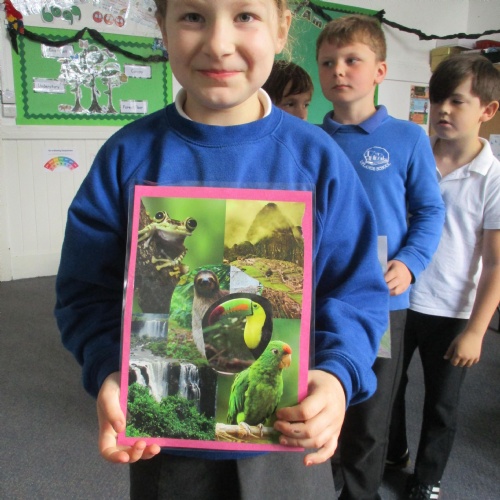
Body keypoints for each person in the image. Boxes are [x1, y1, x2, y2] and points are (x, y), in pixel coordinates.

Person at [54, 1, 389, 499]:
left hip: (289, 442)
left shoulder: (319, 160)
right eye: (193, 16)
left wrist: (338, 374)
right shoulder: (127, 156)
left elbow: (357, 291)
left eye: (245, 16)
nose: (218, 43)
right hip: (167, 449)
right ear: (162, 27)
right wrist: (108, 368)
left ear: (281, 28)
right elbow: (86, 292)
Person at [316, 14, 445, 500]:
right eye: (328, 62)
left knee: (369, 415)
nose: (338, 70)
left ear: (380, 71)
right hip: (319, 296)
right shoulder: (309, 140)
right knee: (317, 396)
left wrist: (410, 262)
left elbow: (430, 210)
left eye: (352, 60)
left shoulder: (408, 138)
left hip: (381, 301)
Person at [387, 53, 500, 500]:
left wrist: (476, 331)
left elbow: (495, 263)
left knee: (441, 402)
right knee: (388, 388)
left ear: (488, 110)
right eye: (436, 100)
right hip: (399, 299)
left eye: (456, 101)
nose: (442, 111)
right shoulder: (412, 156)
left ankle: (427, 478)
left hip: (453, 311)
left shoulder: (492, 177)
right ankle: (392, 453)